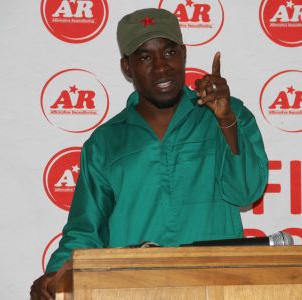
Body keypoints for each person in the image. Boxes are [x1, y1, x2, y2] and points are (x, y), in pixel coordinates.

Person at [30, 8, 268, 299]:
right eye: (145, 57)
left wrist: (226, 121)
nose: (161, 67)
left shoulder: (229, 114)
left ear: (183, 54)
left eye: (169, 53)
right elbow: (85, 228)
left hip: (215, 287)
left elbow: (247, 193)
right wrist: (54, 277)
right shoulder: (105, 142)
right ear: (127, 67)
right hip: (132, 289)